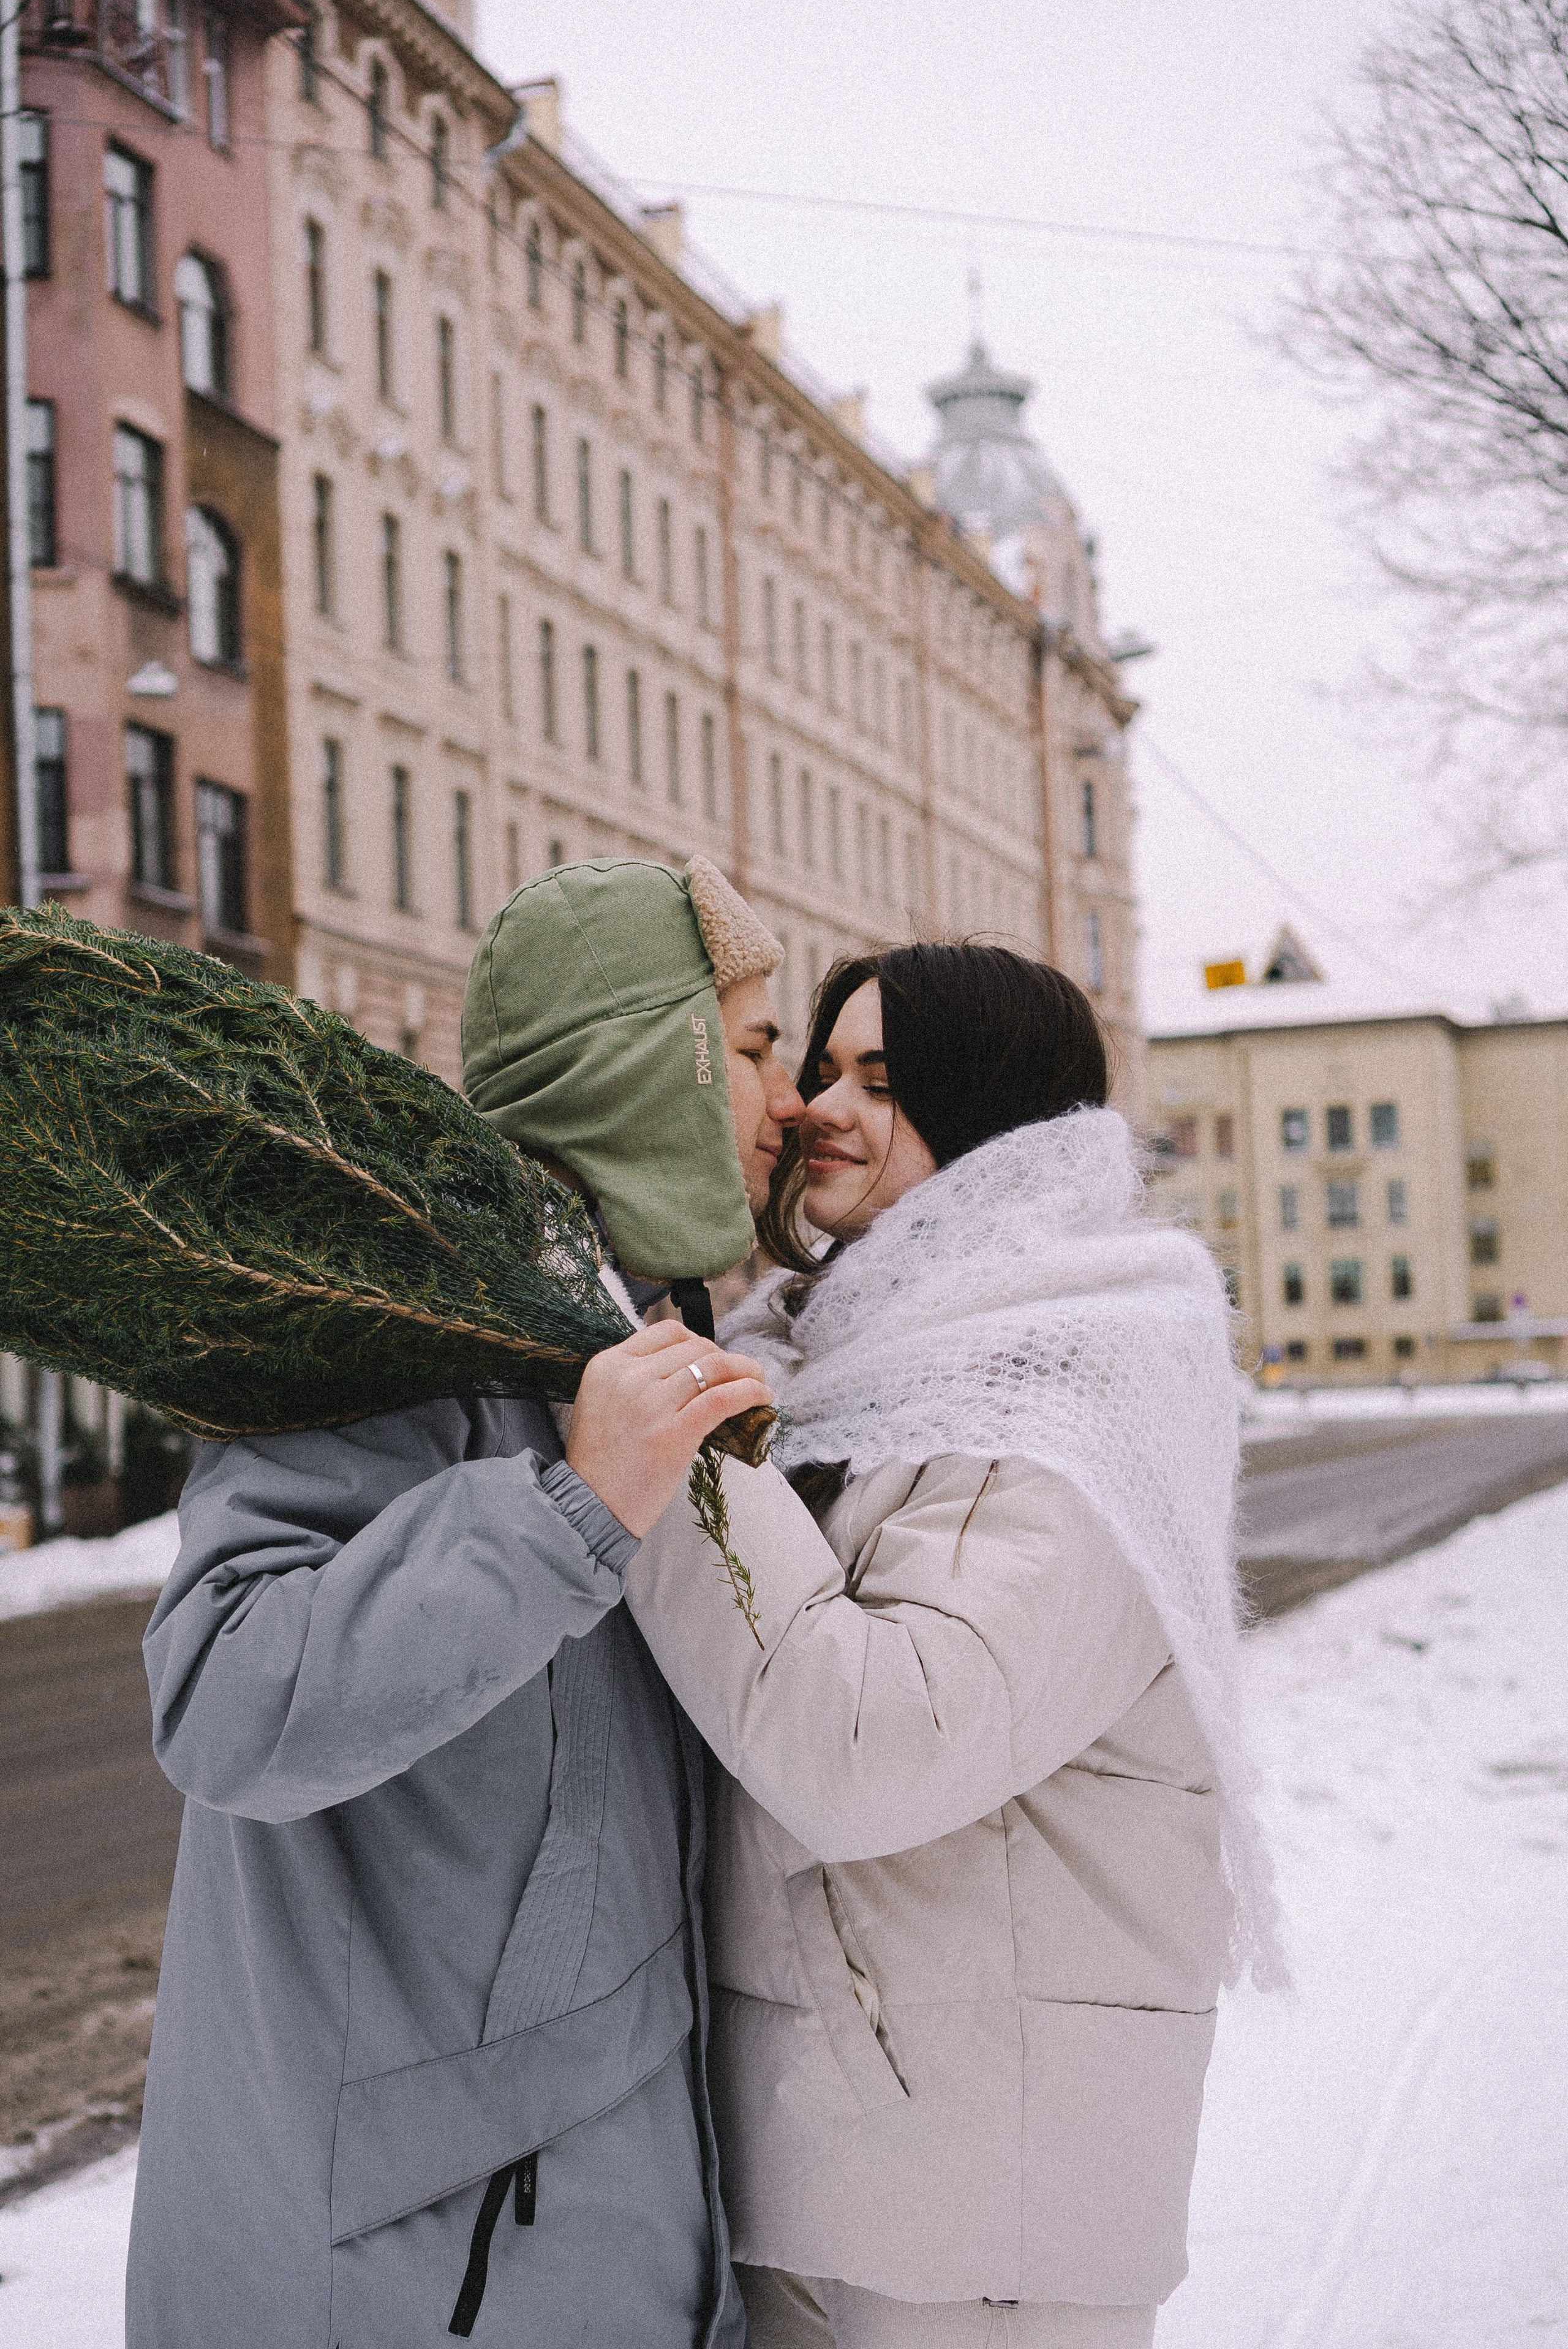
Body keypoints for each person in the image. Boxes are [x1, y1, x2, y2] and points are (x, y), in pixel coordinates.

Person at [127, 856, 796, 2349]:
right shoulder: (389, 1334)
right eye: (751, 1050)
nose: (792, 1101)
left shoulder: (610, 1344)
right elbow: (224, 1700)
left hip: (574, 2238)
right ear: (644, 1069)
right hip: (412, 2269)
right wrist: (565, 1511)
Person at [622, 942, 1286, 2349]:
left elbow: (874, 1749)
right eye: (818, 1067)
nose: (818, 1107)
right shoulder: (832, 1360)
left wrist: (669, 1452)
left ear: (993, 1124)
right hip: (847, 2151)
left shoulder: (1067, 1379)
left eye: (885, 1080)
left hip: (979, 2210)